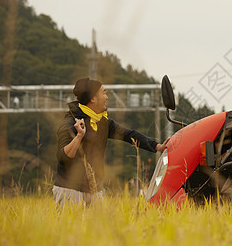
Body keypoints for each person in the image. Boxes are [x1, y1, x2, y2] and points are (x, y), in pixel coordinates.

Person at [52, 78, 169, 207]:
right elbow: (63, 157)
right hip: (70, 189)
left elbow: (129, 135)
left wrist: (158, 146)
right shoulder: (70, 122)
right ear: (93, 99)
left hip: (94, 189)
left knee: (98, 227)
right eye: (104, 93)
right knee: (71, 227)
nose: (107, 97)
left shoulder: (103, 122)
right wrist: (79, 136)